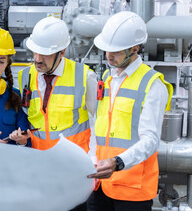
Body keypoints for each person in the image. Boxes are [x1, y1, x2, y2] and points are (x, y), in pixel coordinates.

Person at [87, 11, 173, 211]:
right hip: (101, 184)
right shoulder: (108, 79)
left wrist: (117, 162)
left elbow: (151, 140)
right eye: (107, 50)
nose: (109, 56)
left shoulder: (152, 84)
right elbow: (97, 126)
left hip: (131, 190)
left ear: (135, 48)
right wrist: (92, 159)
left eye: (115, 51)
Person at [15, 16, 97, 211]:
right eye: (35, 51)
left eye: (44, 54)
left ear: (62, 52)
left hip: (74, 171)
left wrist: (93, 161)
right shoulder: (24, 75)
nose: (37, 58)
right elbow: (29, 117)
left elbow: (99, 122)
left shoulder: (85, 77)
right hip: (39, 170)